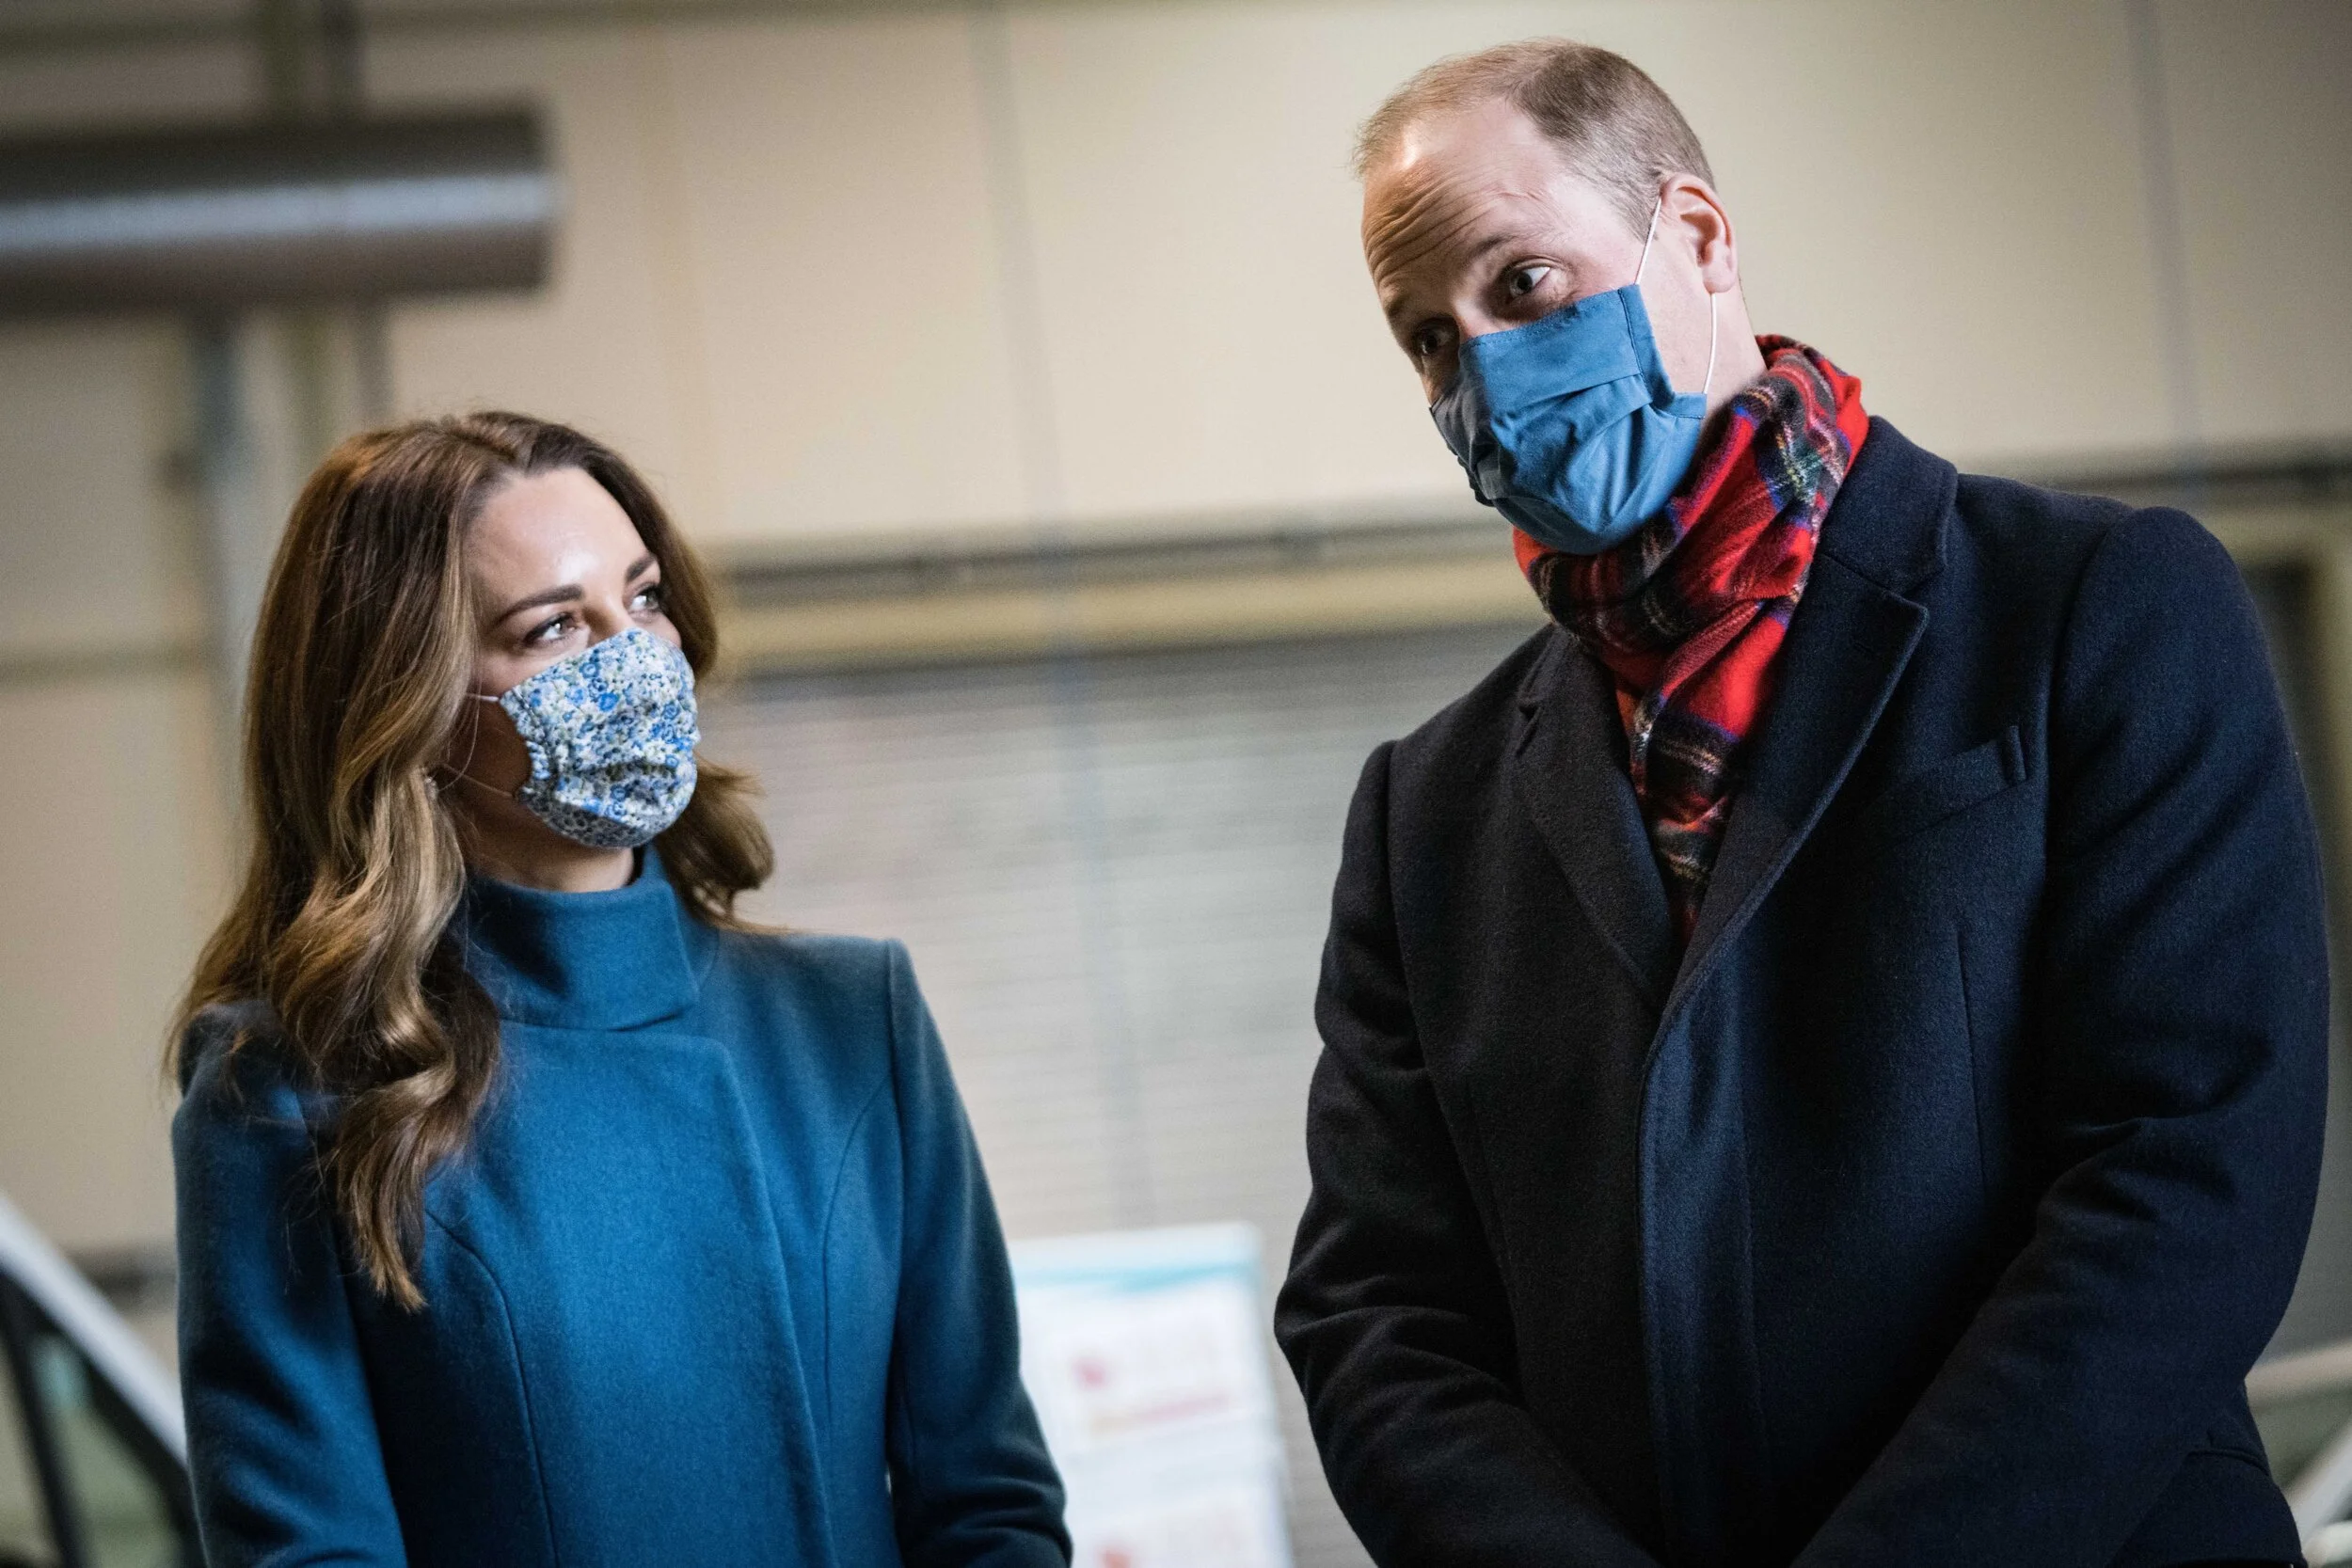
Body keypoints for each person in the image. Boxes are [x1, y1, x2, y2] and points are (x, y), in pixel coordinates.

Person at [1275, 38, 2327, 1568]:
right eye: (1431, 340)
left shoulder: (2094, 607)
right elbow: (1375, 1313)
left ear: (1698, 238)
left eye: (1525, 284)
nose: (1482, 374)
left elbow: (2190, 1171)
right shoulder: (1423, 813)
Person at [170, 411, 1069, 1568]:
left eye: (641, 598)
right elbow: (309, 1550)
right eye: (551, 626)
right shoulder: (288, 1092)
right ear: (408, 708)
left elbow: (990, 1505)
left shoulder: (851, 1022)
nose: (632, 654)